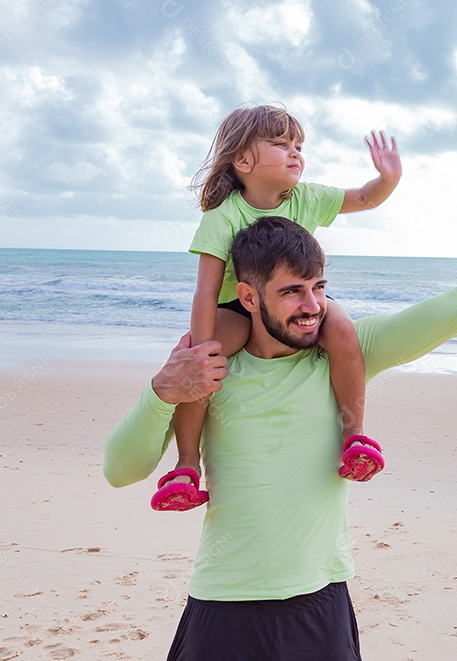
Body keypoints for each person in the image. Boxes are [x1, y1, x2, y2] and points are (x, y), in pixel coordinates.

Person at [104, 214, 457, 660]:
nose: (312, 307)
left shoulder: (342, 357)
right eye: (292, 292)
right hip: (224, 608)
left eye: (320, 288)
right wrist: (161, 391)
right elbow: (120, 470)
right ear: (249, 298)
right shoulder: (208, 370)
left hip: (320, 606)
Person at [152, 105, 402, 512]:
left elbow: (364, 198)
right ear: (244, 160)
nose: (295, 153)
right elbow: (206, 291)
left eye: (298, 145)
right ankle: (184, 467)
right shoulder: (224, 215)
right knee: (198, 356)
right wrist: (200, 349)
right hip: (237, 307)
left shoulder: (308, 197)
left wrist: (387, 178)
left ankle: (355, 436)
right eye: (281, 144)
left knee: (341, 328)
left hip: (294, 298)